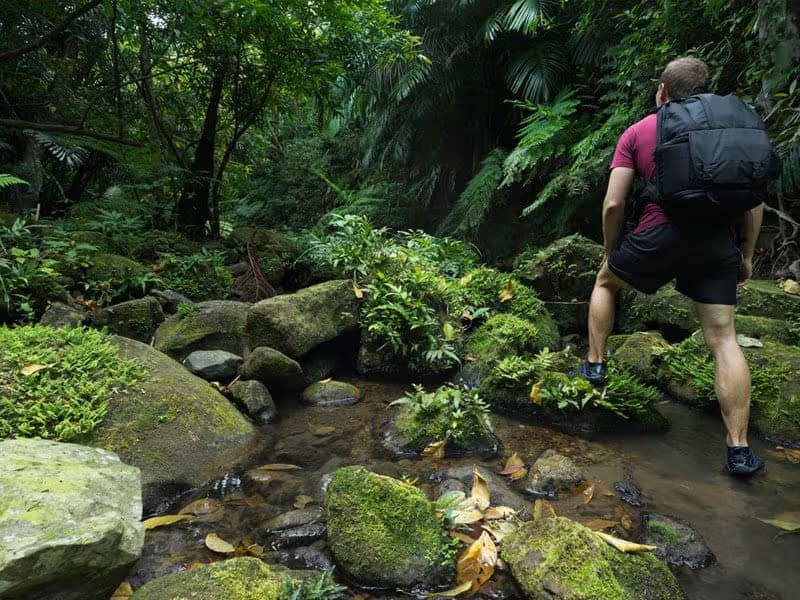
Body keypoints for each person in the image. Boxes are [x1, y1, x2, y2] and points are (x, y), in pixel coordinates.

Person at [571, 57, 766, 476]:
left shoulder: (640, 131)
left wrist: (611, 249)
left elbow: (613, 203)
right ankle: (738, 450)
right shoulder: (733, 131)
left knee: (606, 283)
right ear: (706, 91)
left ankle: (595, 364)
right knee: (724, 339)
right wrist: (745, 256)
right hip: (716, 243)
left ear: (662, 90)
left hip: (657, 236)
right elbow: (753, 204)